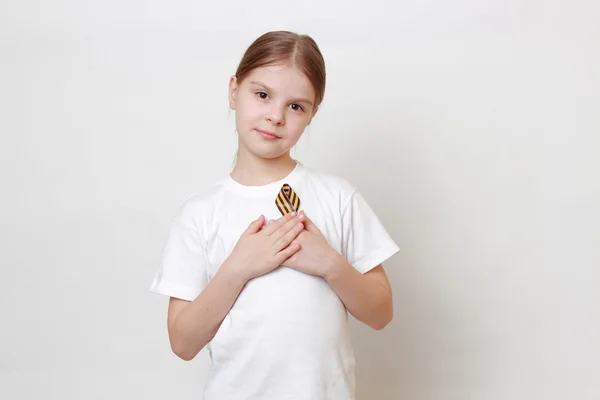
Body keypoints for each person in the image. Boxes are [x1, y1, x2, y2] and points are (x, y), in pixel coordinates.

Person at [149, 30, 400, 400]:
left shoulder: (339, 198)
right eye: (262, 95)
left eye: (296, 106)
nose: (276, 117)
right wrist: (238, 268)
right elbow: (183, 343)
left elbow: (381, 313)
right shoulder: (199, 214)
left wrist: (330, 263)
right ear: (234, 90)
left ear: (313, 113)